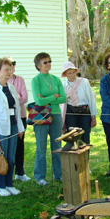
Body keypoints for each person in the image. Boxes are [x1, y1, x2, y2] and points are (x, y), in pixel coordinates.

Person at [0, 58, 25, 197]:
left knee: (11, 158)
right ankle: (0, 186)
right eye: (6, 69)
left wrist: (20, 128)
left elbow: (17, 109)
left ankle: (9, 184)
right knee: (2, 157)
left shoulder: (11, 88)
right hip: (0, 129)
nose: (9, 72)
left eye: (10, 69)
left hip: (13, 126)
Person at [31, 52, 66, 185]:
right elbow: (38, 102)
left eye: (49, 61)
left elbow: (64, 98)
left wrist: (48, 99)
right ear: (38, 65)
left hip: (56, 115)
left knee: (57, 146)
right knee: (41, 147)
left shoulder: (56, 79)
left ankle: (58, 174)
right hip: (41, 116)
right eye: (45, 62)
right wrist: (54, 96)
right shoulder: (36, 80)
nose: (48, 64)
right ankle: (40, 176)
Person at [61, 61, 97, 146]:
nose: (72, 75)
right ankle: (74, 158)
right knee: (72, 136)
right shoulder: (64, 85)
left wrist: (93, 116)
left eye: (73, 72)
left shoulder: (84, 82)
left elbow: (91, 99)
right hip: (71, 112)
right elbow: (62, 104)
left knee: (85, 136)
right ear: (65, 74)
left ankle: (85, 158)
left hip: (84, 110)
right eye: (69, 73)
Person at [7, 57, 31, 182]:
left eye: (13, 65)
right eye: (8, 66)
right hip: (7, 119)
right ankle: (7, 173)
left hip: (20, 116)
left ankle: (20, 172)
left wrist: (13, 100)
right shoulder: (0, 81)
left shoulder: (20, 79)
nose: (11, 68)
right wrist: (17, 97)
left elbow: (25, 98)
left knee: (20, 144)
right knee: (8, 145)